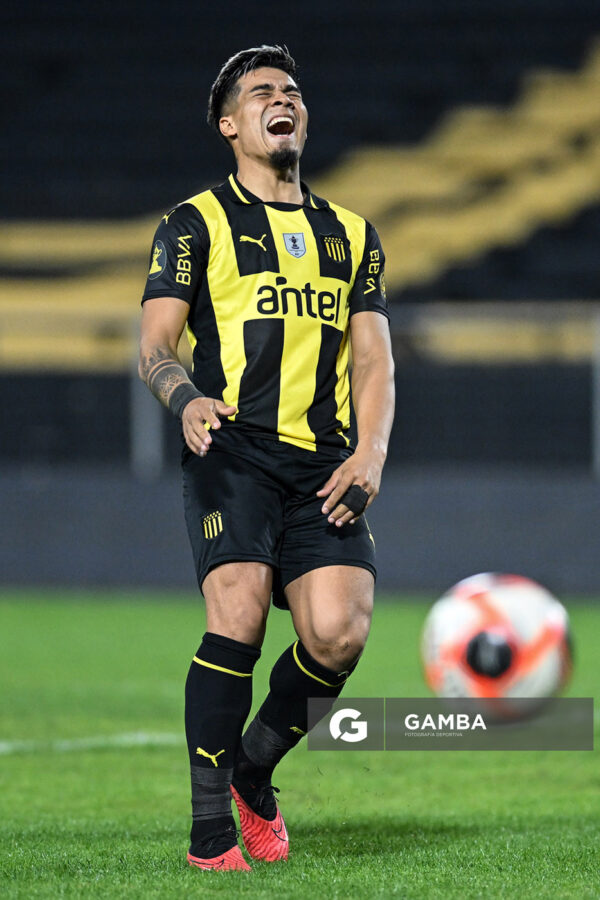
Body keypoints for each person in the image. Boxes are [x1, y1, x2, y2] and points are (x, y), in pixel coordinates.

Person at [138, 44, 394, 872]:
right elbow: (154, 346)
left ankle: (251, 770)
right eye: (260, 92)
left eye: (291, 89)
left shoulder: (352, 235)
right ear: (230, 124)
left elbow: (374, 362)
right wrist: (186, 399)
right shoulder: (193, 224)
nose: (281, 99)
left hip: (325, 464)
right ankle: (210, 827)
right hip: (234, 451)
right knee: (239, 611)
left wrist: (373, 451)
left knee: (339, 636)